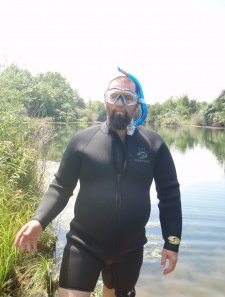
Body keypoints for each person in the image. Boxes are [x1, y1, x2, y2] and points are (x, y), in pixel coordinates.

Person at [14, 72, 182, 297]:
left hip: (131, 249)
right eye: (114, 96)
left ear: (137, 105)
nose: (120, 103)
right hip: (84, 244)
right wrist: (39, 220)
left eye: (128, 97)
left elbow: (169, 195)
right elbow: (61, 186)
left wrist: (172, 242)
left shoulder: (154, 145)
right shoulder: (82, 141)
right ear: (105, 101)